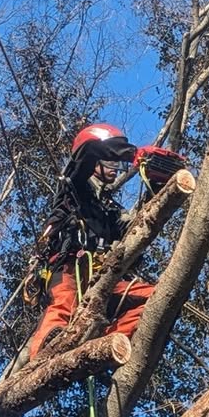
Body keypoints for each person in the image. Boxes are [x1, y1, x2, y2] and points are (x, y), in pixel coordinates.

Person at [26, 123, 161, 360]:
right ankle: (42, 357)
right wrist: (132, 154)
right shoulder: (72, 186)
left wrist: (156, 189)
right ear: (97, 161)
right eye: (109, 160)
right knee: (63, 305)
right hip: (69, 266)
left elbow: (134, 231)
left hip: (104, 277)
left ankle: (105, 346)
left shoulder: (109, 211)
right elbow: (87, 152)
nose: (115, 168)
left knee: (157, 297)